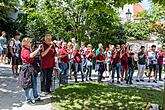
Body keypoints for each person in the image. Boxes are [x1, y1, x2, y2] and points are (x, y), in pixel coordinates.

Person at [18, 37, 42, 104]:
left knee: (34, 83)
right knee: (27, 84)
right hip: (27, 69)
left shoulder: (28, 49)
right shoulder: (24, 50)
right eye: (30, 42)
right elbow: (31, 56)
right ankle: (28, 99)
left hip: (31, 68)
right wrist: (38, 49)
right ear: (26, 43)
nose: (31, 43)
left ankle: (36, 97)